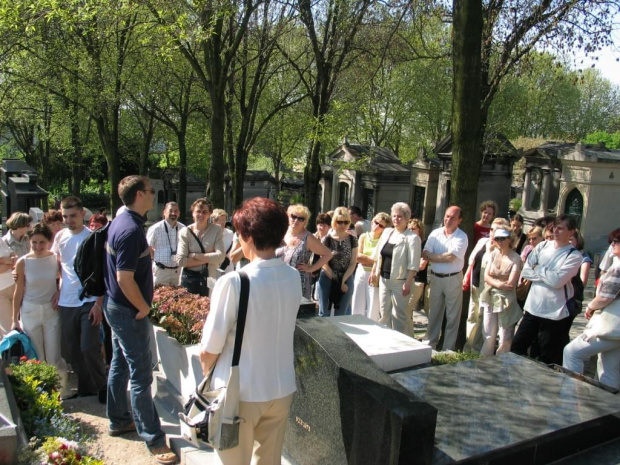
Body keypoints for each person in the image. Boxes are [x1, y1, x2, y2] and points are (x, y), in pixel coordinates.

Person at [199, 197, 301, 464]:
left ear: (248, 236)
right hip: (281, 387)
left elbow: (210, 348)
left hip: (241, 392)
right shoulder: (292, 276)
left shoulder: (234, 282)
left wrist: (207, 378)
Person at [103, 175, 178, 465]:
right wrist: (144, 308)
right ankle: (154, 439)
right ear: (138, 195)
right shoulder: (131, 229)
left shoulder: (122, 222)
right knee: (141, 375)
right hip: (128, 311)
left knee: (120, 366)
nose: (153, 194)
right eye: (149, 191)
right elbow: (124, 278)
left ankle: (119, 419)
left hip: (116, 307)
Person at [53, 196, 107, 403]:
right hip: (66, 301)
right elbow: (56, 264)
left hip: (89, 300)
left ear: (82, 214)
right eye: (65, 216)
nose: (68, 220)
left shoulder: (93, 237)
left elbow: (102, 272)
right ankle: (86, 388)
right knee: (73, 350)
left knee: (89, 347)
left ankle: (102, 387)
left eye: (73, 216)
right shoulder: (60, 237)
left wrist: (98, 303)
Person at [510, 214, 583, 365]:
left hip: (554, 315)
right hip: (532, 309)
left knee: (547, 359)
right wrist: (546, 273)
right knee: (516, 348)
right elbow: (526, 271)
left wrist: (538, 268)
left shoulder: (574, 256)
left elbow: (557, 281)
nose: (556, 231)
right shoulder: (543, 246)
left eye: (561, 228)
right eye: (555, 227)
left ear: (571, 232)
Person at [11, 224, 69, 395]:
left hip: (51, 310)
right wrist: (15, 319)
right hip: (30, 310)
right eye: (34, 242)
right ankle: (40, 393)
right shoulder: (23, 262)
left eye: (42, 242)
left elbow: (64, 280)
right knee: (36, 356)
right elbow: (18, 290)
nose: (38, 246)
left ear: (49, 242)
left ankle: (60, 391)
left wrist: (59, 292)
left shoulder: (55, 259)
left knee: (54, 355)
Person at [563, 228, 620, 390]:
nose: (613, 245)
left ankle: (569, 395)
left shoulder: (618, 268)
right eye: (612, 242)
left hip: (610, 327)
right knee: (609, 368)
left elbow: (605, 297)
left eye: (616, 242)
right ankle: (609, 411)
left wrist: (590, 306)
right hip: (616, 330)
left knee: (571, 352)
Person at [370, 203, 421, 336]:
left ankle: (399, 344)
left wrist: (408, 283)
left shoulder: (412, 238)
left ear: (406, 219)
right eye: (394, 216)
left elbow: (413, 264)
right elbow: (378, 255)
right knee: (384, 314)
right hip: (384, 280)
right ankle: (384, 340)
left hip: (401, 282)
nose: (396, 219)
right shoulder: (387, 232)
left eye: (399, 217)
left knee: (399, 316)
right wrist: (374, 272)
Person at [422, 205, 468, 350]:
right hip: (435, 278)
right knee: (434, 313)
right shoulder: (435, 234)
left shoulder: (462, 236)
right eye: (447, 216)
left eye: (453, 217)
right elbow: (424, 253)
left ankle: (448, 349)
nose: (448, 219)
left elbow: (451, 257)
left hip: (453, 279)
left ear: (459, 220)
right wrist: (436, 257)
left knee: (452, 315)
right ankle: (430, 344)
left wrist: (432, 257)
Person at [479, 225, 522, 356]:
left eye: (503, 238)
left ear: (510, 239)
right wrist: (499, 283)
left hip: (506, 300)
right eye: (497, 239)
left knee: (505, 335)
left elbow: (510, 284)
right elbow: (486, 277)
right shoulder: (492, 254)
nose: (500, 241)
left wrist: (494, 282)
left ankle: (503, 363)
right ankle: (485, 362)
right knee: (488, 332)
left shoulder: (516, 258)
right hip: (489, 296)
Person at [276, 205, 332, 306]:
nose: (296, 220)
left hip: (298, 284)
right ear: (288, 217)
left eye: (301, 219)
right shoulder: (281, 232)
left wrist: (312, 268)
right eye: (293, 216)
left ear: (305, 222)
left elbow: (328, 254)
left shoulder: (308, 238)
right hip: (278, 281)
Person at [177, 198, 225, 296]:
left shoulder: (216, 230)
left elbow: (220, 257)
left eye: (205, 212)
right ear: (193, 213)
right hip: (190, 278)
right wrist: (210, 258)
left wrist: (194, 255)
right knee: (189, 307)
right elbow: (181, 261)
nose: (201, 215)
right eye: (198, 211)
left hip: (210, 276)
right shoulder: (185, 232)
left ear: (210, 214)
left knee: (209, 303)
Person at [317, 207, 358, 317]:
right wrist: (337, 280)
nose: (343, 225)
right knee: (324, 313)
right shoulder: (326, 239)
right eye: (340, 222)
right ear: (334, 222)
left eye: (346, 222)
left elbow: (353, 262)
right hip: (327, 276)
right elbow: (323, 263)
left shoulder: (352, 239)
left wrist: (343, 280)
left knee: (342, 314)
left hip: (346, 276)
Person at [351, 212, 391, 320]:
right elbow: (357, 257)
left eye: (381, 225)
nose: (377, 226)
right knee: (357, 300)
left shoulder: (384, 240)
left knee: (373, 304)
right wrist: (374, 261)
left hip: (375, 273)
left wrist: (369, 260)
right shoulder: (364, 236)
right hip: (361, 271)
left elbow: (380, 260)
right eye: (376, 222)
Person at [147, 202, 185, 286]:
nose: (173, 213)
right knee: (159, 297)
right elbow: (148, 248)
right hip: (161, 271)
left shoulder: (184, 229)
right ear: (164, 212)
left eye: (176, 211)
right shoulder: (155, 228)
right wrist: (156, 257)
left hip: (178, 271)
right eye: (170, 211)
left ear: (179, 213)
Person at [406, 219, 429, 317]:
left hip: (417, 281)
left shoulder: (424, 244)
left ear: (420, 231)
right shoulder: (406, 242)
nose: (410, 231)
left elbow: (421, 266)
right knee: (406, 312)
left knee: (406, 309)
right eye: (409, 229)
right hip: (406, 280)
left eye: (413, 229)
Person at [211, 209, 234, 273]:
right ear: (214, 221)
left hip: (227, 267)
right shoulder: (209, 234)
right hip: (213, 267)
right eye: (221, 220)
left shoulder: (230, 233)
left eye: (224, 220)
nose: (223, 223)